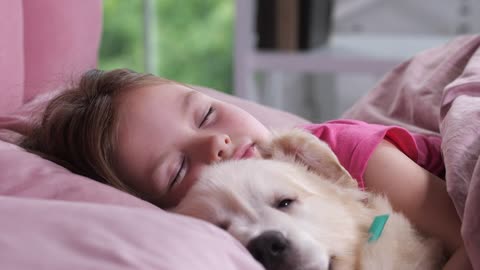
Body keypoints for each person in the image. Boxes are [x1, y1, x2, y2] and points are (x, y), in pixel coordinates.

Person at [21, 68, 471, 269]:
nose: (214, 144)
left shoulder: (342, 151)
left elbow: (469, 239)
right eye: (177, 169)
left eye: (205, 115)